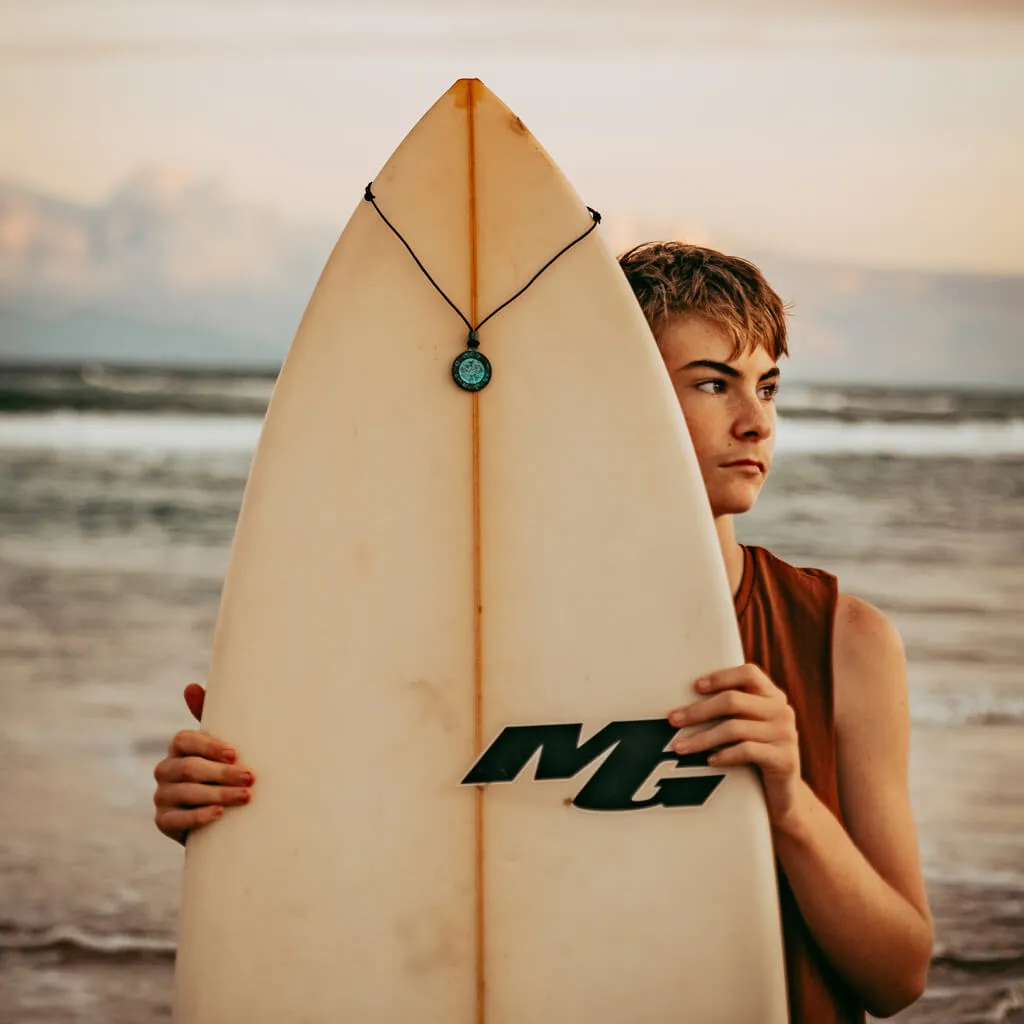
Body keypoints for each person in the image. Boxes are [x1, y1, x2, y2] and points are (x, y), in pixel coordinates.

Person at [153, 242, 932, 1022]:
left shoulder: (844, 641)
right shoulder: (480, 634)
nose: (756, 422)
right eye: (712, 383)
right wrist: (238, 816)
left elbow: (897, 978)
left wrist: (791, 806)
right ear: (612, 397)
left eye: (767, 388)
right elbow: (399, 876)